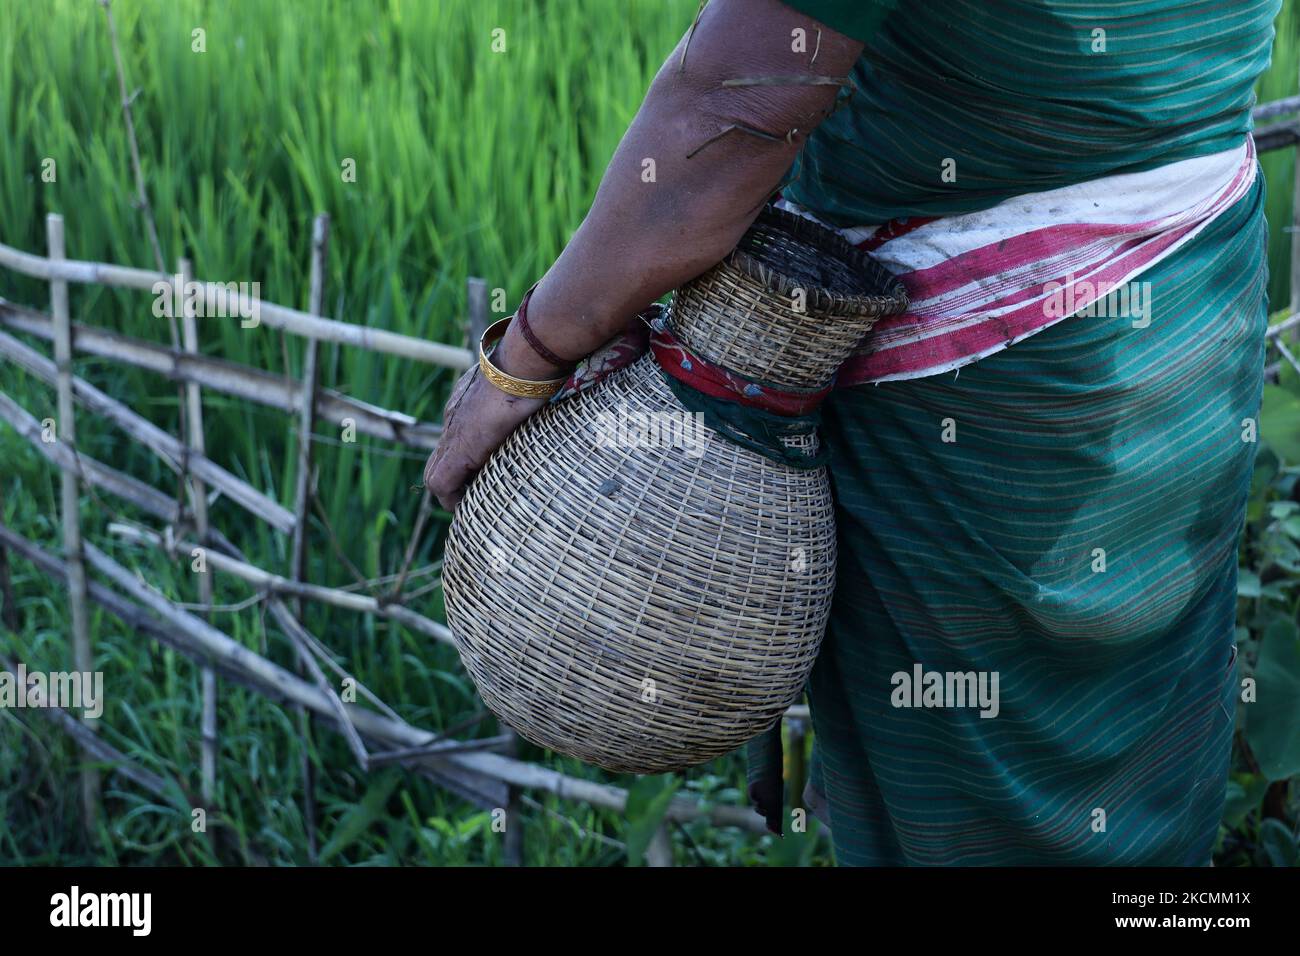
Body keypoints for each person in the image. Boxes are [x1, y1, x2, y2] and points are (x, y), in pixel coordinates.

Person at [424, 0, 1281, 865]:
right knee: (1128, 763)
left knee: (969, 802)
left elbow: (730, 109)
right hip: (1184, 326)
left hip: (995, 396)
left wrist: (529, 353)